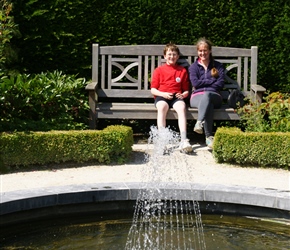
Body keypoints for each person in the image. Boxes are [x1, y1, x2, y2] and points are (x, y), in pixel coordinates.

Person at [150, 43, 192, 153]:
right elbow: (153, 89)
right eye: (169, 54)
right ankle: (162, 141)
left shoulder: (182, 70)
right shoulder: (159, 70)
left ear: (178, 56)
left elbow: (186, 90)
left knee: (182, 107)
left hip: (176, 96)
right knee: (162, 107)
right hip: (162, 96)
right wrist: (163, 94)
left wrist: (183, 95)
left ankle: (184, 140)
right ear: (164, 56)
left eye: (174, 54)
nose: (171, 57)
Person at [188, 38, 225, 148]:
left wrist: (204, 84)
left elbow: (220, 84)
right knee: (208, 103)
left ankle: (199, 122)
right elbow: (195, 83)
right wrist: (211, 81)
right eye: (200, 51)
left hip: (214, 96)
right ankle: (209, 138)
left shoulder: (218, 66)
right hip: (196, 97)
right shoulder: (193, 67)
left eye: (205, 50)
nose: (202, 53)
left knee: (207, 95)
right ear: (197, 52)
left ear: (210, 51)